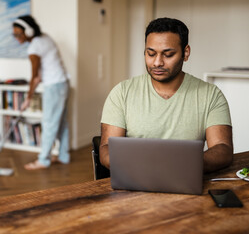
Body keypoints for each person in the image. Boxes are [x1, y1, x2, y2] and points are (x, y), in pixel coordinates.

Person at [100, 17, 233, 173]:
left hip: (186, 177)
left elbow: (222, 149)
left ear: (186, 53)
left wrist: (182, 166)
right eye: (150, 54)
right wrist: (147, 167)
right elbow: (106, 149)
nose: (157, 62)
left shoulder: (211, 95)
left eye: (168, 55)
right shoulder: (121, 93)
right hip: (134, 181)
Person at [12, 15, 70, 170]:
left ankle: (43, 160)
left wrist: (27, 98)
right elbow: (39, 75)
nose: (16, 38)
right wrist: (33, 88)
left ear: (29, 31)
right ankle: (64, 156)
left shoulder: (34, 48)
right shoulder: (45, 38)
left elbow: (34, 76)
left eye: (18, 34)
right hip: (63, 83)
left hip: (54, 86)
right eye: (14, 34)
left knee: (49, 123)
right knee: (61, 123)